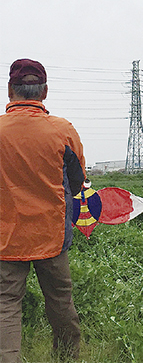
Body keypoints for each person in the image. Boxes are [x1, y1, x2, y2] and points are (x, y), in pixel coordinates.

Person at [0, 59, 85, 362]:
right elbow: (76, 182)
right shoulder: (62, 130)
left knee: (6, 306)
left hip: (5, 238)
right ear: (44, 91)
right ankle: (66, 358)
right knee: (60, 302)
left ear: (10, 90)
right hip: (52, 236)